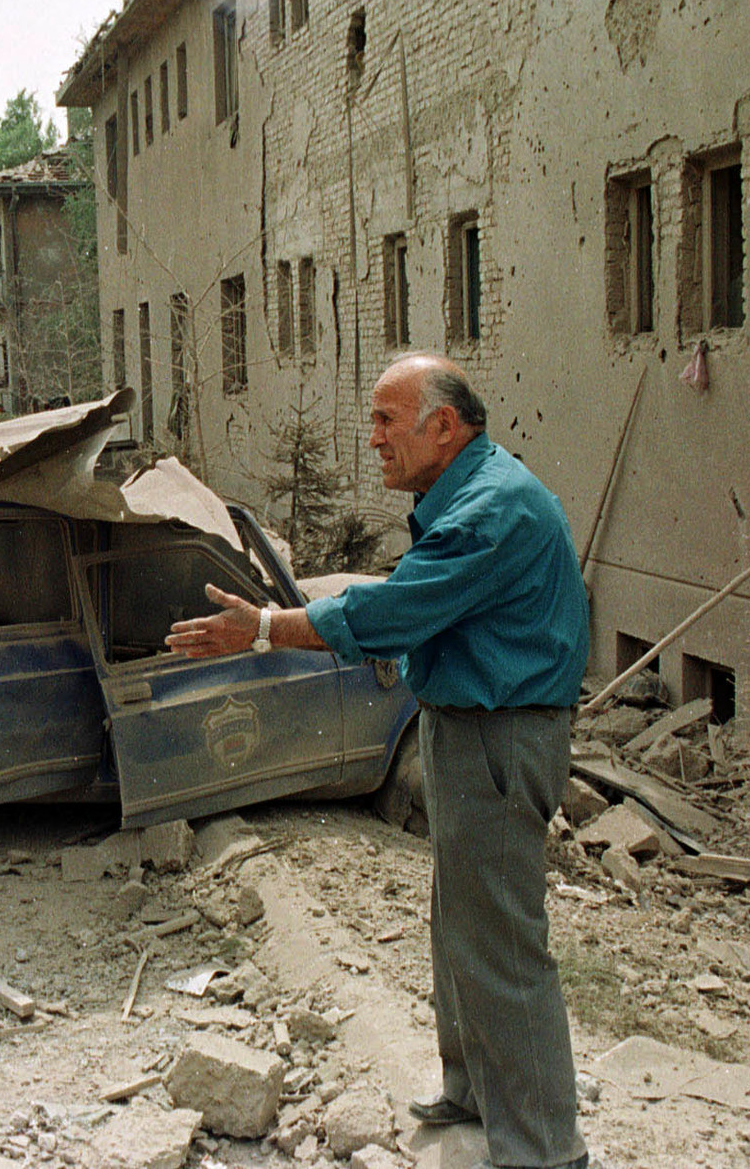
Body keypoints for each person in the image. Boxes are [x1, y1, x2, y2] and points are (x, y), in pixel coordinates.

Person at [166, 354, 593, 1169]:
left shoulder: (489, 510)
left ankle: (543, 1149)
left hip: (500, 741)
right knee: (460, 927)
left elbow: (394, 610)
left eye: (385, 421)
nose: (373, 440)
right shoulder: (468, 491)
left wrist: (264, 627)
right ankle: (472, 1094)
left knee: (502, 945)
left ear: (444, 425)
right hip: (469, 728)